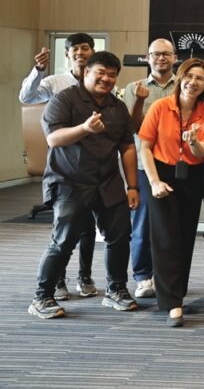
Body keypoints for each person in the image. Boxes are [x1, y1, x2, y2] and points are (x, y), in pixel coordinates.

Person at [28, 51, 140, 320]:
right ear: (86, 72)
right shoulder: (64, 99)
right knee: (63, 240)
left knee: (120, 235)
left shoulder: (117, 107)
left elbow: (127, 146)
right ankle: (42, 297)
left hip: (108, 181)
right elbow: (54, 139)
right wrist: (85, 129)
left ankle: (116, 290)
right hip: (70, 180)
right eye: (100, 72)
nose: (106, 79)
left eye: (112, 75)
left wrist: (132, 186)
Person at [137, 57, 204, 327]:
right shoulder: (161, 106)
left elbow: (202, 152)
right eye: (189, 76)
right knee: (165, 238)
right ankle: (171, 302)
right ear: (180, 77)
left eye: (200, 79)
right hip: (160, 173)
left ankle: (178, 294)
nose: (193, 82)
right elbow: (145, 147)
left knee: (184, 238)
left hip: (191, 176)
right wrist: (154, 181)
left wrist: (194, 141)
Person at [20, 32, 98, 300]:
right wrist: (38, 70)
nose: (80, 53)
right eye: (75, 49)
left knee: (88, 225)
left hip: (92, 160)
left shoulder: (98, 80)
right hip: (64, 162)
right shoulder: (55, 82)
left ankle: (85, 276)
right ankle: (59, 280)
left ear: (92, 51)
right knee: (64, 225)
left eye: (85, 48)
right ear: (67, 54)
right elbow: (27, 96)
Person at [122, 38, 178, 300]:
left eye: (166, 54)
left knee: (172, 223)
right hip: (145, 163)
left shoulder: (184, 85)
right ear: (147, 58)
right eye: (155, 54)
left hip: (176, 162)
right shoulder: (134, 88)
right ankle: (143, 276)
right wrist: (138, 101)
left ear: (174, 57)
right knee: (142, 222)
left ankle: (166, 275)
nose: (161, 58)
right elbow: (132, 128)